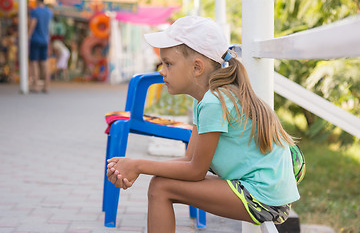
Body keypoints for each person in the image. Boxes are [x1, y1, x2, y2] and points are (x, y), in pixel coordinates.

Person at [106, 16, 300, 232]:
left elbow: (195, 171)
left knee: (161, 187)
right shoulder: (208, 100)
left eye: (168, 63)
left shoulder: (214, 102)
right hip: (264, 190)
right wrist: (134, 165)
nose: (162, 71)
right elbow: (190, 160)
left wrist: (139, 166)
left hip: (263, 197)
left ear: (197, 67)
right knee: (161, 183)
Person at [28, 0, 53, 92]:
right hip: (45, 40)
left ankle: (36, 86)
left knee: (34, 62)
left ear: (37, 0)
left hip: (35, 39)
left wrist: (27, 35)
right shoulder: (49, 12)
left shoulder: (35, 11)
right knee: (44, 62)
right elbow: (49, 27)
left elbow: (33, 24)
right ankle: (47, 86)